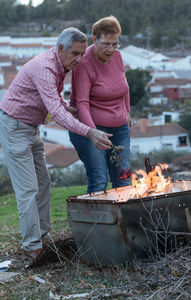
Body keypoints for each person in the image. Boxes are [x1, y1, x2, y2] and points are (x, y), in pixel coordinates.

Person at [0, 27, 112, 264]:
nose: (79, 60)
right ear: (60, 48)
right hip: (14, 128)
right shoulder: (45, 68)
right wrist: (90, 132)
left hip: (31, 128)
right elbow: (57, 114)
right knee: (28, 190)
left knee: (43, 183)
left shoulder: (60, 65)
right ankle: (32, 249)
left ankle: (41, 238)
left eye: (82, 54)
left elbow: (54, 101)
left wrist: (71, 109)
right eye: (74, 54)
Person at [69, 16, 133, 193]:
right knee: (99, 180)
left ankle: (125, 220)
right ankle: (98, 220)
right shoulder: (84, 64)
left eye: (115, 44)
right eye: (106, 44)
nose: (111, 49)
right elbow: (81, 103)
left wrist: (127, 113)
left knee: (123, 178)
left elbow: (123, 87)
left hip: (120, 130)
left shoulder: (118, 57)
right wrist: (93, 133)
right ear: (94, 39)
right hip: (92, 129)